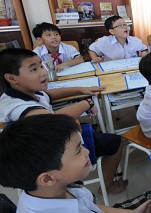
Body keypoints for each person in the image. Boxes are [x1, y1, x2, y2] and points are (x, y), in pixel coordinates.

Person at [0, 48, 127, 195]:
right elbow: (53, 120)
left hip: (50, 144)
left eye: (41, 66)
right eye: (33, 69)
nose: (43, 72)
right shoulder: (18, 106)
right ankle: (108, 186)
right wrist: (87, 104)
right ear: (11, 78)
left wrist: (80, 90)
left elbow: (48, 95)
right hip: (50, 156)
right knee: (116, 142)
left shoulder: (24, 92)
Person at [0, 114, 151, 213]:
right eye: (78, 150)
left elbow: (89, 207)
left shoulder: (52, 190)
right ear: (48, 178)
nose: (87, 152)